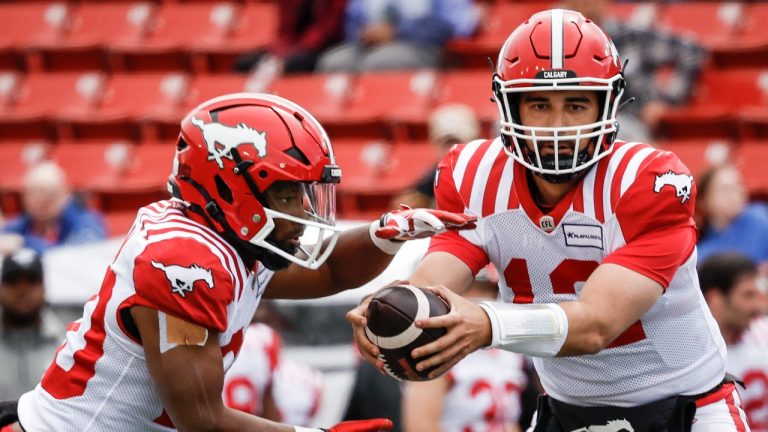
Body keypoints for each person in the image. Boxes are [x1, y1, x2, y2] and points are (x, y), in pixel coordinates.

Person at [347, 9, 751, 431]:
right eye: (539, 104)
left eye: (576, 104)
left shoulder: (645, 181)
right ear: (509, 106)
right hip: (566, 413)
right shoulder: (475, 174)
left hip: (687, 411)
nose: (558, 125)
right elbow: (439, 276)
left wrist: (487, 323)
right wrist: (393, 312)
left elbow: (597, 325)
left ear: (607, 105)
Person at [2, 93, 476, 432]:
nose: (303, 211)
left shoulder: (221, 236)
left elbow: (328, 271)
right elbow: (202, 420)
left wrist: (385, 235)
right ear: (228, 186)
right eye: (287, 192)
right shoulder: (183, 261)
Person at [401, 268, 528, 432]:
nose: (481, 298)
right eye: (471, 287)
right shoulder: (435, 345)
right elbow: (421, 426)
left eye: (489, 289)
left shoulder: (510, 350)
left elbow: (509, 421)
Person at [563, 0, 706, 142]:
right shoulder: (561, 44)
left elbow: (691, 50)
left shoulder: (630, 36)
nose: (583, 3)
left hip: (630, 121)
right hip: (576, 123)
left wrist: (667, 100)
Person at [699, 252, 768, 431]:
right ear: (716, 299)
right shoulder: (694, 359)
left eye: (756, 295)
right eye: (747, 296)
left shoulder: (763, 333)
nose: (756, 306)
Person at [317, 0, 478, 73]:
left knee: (383, 63)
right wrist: (366, 33)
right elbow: (351, 21)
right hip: (368, 46)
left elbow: (452, 24)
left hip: (419, 45)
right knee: (334, 62)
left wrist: (398, 32)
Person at [0, 249, 65, 401]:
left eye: (31, 281)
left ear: (43, 288)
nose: (22, 290)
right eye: (13, 281)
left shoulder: (66, 344)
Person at [1, 161, 107, 254]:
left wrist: (23, 244)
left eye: (51, 193)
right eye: (35, 192)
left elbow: (78, 255)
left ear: (66, 193)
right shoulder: (22, 223)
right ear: (24, 197)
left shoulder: (88, 222)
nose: (42, 199)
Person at [391, 104, 481, 209]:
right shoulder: (432, 180)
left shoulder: (488, 174)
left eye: (458, 143)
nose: (452, 150)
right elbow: (402, 206)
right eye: (446, 144)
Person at [234, 0, 347, 75]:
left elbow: (324, 31)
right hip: (291, 48)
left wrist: (287, 58)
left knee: (295, 63)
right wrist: (278, 56)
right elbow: (284, 30)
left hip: (322, 49)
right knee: (246, 62)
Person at [696, 164, 768, 272]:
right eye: (725, 189)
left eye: (738, 185)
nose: (735, 193)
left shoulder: (760, 216)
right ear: (704, 201)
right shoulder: (701, 254)